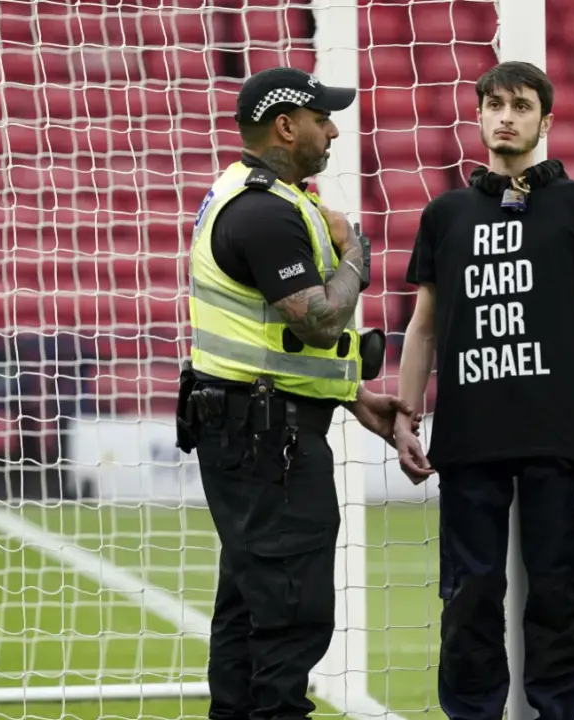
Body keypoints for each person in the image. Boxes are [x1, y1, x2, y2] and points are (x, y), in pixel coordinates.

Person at [175, 66, 420, 720]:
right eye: (321, 118)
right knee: (290, 609)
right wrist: (355, 258)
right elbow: (315, 317)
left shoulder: (250, 196)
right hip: (267, 440)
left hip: (254, 424)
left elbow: (271, 345)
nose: (333, 129)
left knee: (250, 605)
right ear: (286, 125)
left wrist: (351, 396)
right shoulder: (264, 212)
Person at [392, 60, 574, 720]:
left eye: (521, 106)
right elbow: (424, 324)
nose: (506, 116)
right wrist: (407, 416)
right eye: (494, 105)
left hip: (558, 433)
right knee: (469, 596)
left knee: (562, 593)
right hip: (469, 437)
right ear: (479, 115)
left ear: (544, 120)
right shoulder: (446, 214)